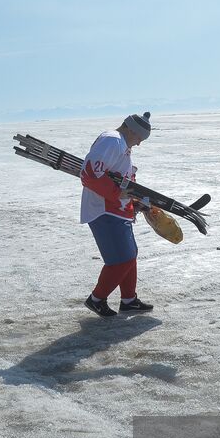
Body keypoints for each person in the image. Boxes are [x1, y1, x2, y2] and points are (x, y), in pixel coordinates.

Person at [80, 112, 156, 317]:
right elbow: (89, 173)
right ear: (131, 129)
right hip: (104, 209)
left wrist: (133, 203)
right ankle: (96, 299)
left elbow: (119, 180)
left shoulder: (122, 145)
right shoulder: (112, 141)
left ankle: (129, 300)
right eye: (140, 138)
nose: (139, 144)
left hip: (117, 209)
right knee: (122, 259)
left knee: (130, 256)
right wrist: (117, 194)